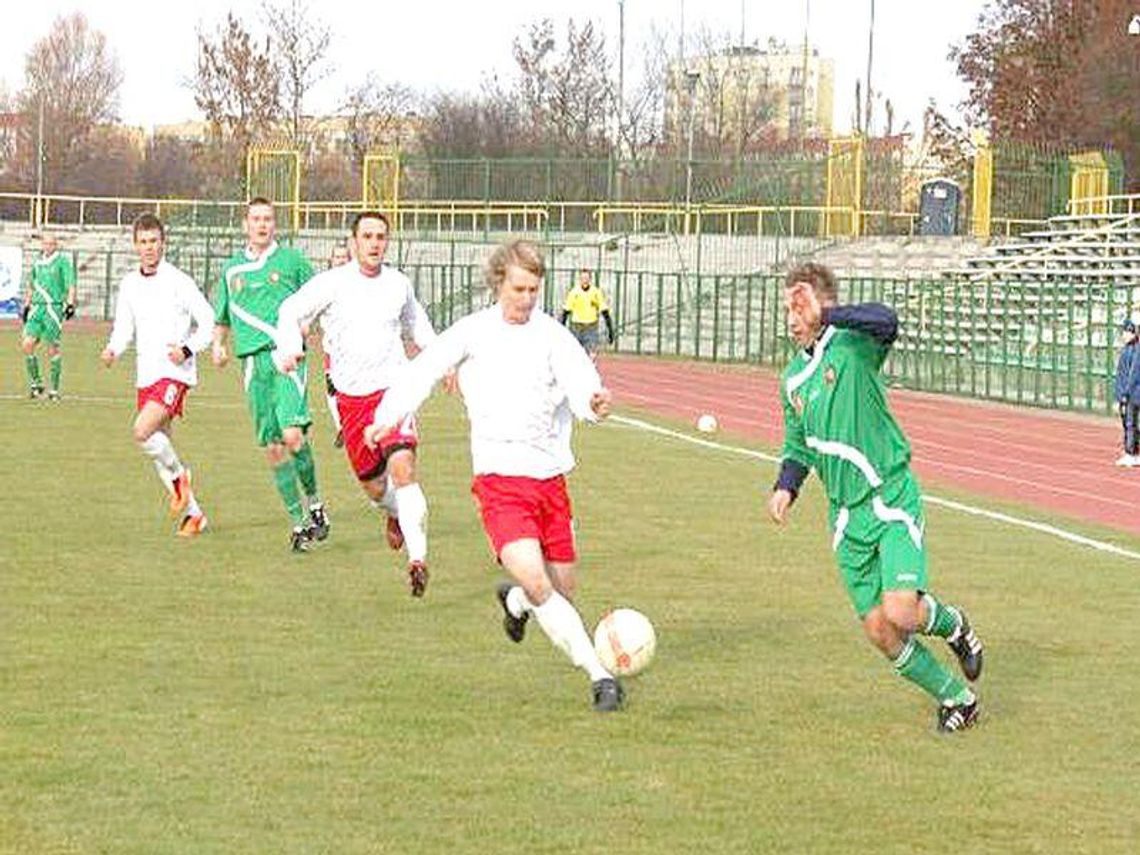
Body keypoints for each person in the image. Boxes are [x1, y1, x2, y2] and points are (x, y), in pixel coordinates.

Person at [364, 240, 624, 712]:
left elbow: (581, 383)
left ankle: (517, 604)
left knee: (560, 589)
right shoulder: (474, 331)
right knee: (540, 582)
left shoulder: (552, 335)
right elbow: (423, 370)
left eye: (534, 290)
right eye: (519, 288)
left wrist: (595, 403)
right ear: (499, 283)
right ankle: (600, 676)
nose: (526, 298)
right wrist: (388, 415)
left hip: (549, 480)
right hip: (499, 481)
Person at [768, 262, 984, 733]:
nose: (791, 315)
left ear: (823, 305)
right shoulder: (791, 379)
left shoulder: (852, 346)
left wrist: (829, 314)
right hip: (847, 521)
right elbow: (797, 445)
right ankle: (958, 700)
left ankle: (955, 626)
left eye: (799, 304)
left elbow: (887, 320)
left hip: (889, 498)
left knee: (903, 610)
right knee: (880, 630)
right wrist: (786, 486)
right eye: (788, 306)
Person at [275, 212, 435, 596]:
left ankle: (418, 559)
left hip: (394, 391)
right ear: (353, 242)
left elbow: (418, 325)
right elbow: (289, 312)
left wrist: (441, 360)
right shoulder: (331, 283)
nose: (375, 243)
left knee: (403, 468)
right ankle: (394, 513)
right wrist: (290, 347)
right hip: (351, 401)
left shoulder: (398, 284)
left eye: (381, 236)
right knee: (375, 488)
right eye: (367, 236)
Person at [211, 197, 329, 553]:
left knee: (294, 436)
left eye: (268, 219)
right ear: (245, 224)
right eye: (256, 219)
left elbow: (321, 296)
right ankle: (298, 524)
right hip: (252, 365)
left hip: (287, 357)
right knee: (274, 447)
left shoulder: (292, 261)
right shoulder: (232, 271)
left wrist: (307, 324)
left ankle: (316, 503)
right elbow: (222, 317)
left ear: (274, 224)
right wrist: (218, 345)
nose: (262, 225)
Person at [100, 214, 213, 536]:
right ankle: (195, 516)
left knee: (141, 431)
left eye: (154, 241)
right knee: (160, 448)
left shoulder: (179, 281)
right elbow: (124, 328)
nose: (149, 248)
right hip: (145, 375)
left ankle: (181, 479)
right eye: (143, 242)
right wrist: (112, 349)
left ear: (163, 243)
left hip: (173, 373)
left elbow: (207, 320)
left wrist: (187, 350)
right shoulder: (129, 284)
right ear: (135, 245)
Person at [21, 233, 76, 400]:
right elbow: (31, 285)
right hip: (37, 308)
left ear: (56, 245)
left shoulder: (62, 262)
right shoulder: (37, 263)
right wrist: (27, 304)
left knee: (52, 347)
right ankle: (36, 383)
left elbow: (70, 284)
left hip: (53, 308)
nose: (48, 246)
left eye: (51, 243)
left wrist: (70, 303)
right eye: (46, 243)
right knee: (27, 344)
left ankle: (54, 390)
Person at [322, 241, 352, 449]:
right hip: (331, 348)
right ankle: (342, 428)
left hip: (354, 348)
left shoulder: (358, 284)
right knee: (332, 390)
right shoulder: (323, 285)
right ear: (331, 261)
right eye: (337, 257)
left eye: (344, 257)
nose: (341, 260)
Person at [559, 268, 615, 359]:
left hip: (591, 326)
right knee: (575, 353)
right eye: (582, 279)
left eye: (586, 278)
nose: (584, 281)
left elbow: (604, 311)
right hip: (576, 326)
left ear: (590, 280)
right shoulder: (574, 292)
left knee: (591, 353)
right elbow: (565, 312)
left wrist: (610, 330)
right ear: (580, 280)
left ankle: (589, 368)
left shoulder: (596, 292)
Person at [1114, 318, 1140, 467]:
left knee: (1130, 423)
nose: (1124, 335)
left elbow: (1132, 374)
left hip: (1132, 393)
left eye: (1127, 332)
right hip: (1127, 392)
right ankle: (1132, 451)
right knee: (1129, 423)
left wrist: (1125, 392)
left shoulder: (1134, 351)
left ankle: (1131, 452)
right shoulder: (1127, 350)